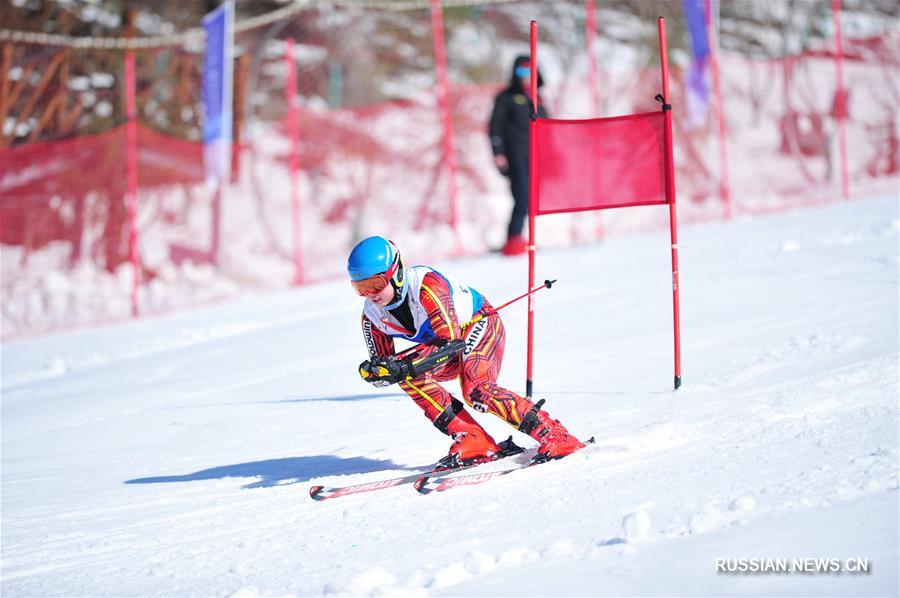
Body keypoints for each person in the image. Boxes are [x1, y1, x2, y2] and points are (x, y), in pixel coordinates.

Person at [349, 235, 584, 469]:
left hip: (477, 324)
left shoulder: (426, 286)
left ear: (396, 273)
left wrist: (404, 365)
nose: (371, 294)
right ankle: (474, 438)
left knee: (476, 390)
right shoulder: (371, 317)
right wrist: (377, 373)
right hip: (442, 348)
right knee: (404, 374)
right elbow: (386, 367)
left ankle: (554, 434)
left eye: (376, 284)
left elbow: (452, 344)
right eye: (360, 288)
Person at [488, 55, 549, 256]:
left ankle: (524, 239)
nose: (525, 76)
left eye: (529, 71)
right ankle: (513, 239)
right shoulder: (505, 97)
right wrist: (498, 153)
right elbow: (495, 127)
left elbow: (547, 126)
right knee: (521, 197)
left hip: (536, 156)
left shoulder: (538, 98)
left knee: (531, 199)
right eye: (521, 72)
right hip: (515, 156)